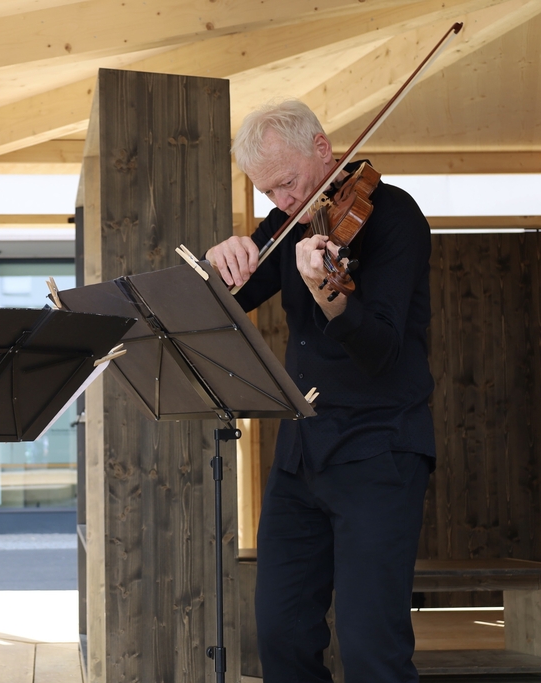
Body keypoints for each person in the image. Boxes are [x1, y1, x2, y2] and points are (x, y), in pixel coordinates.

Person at [205, 100, 435, 683]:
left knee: (371, 649)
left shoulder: (392, 216)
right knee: (280, 635)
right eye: (267, 193)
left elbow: (381, 348)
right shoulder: (287, 222)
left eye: (286, 183)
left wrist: (326, 290)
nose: (281, 202)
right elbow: (229, 299)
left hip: (378, 453)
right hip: (301, 456)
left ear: (323, 149)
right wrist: (216, 265)